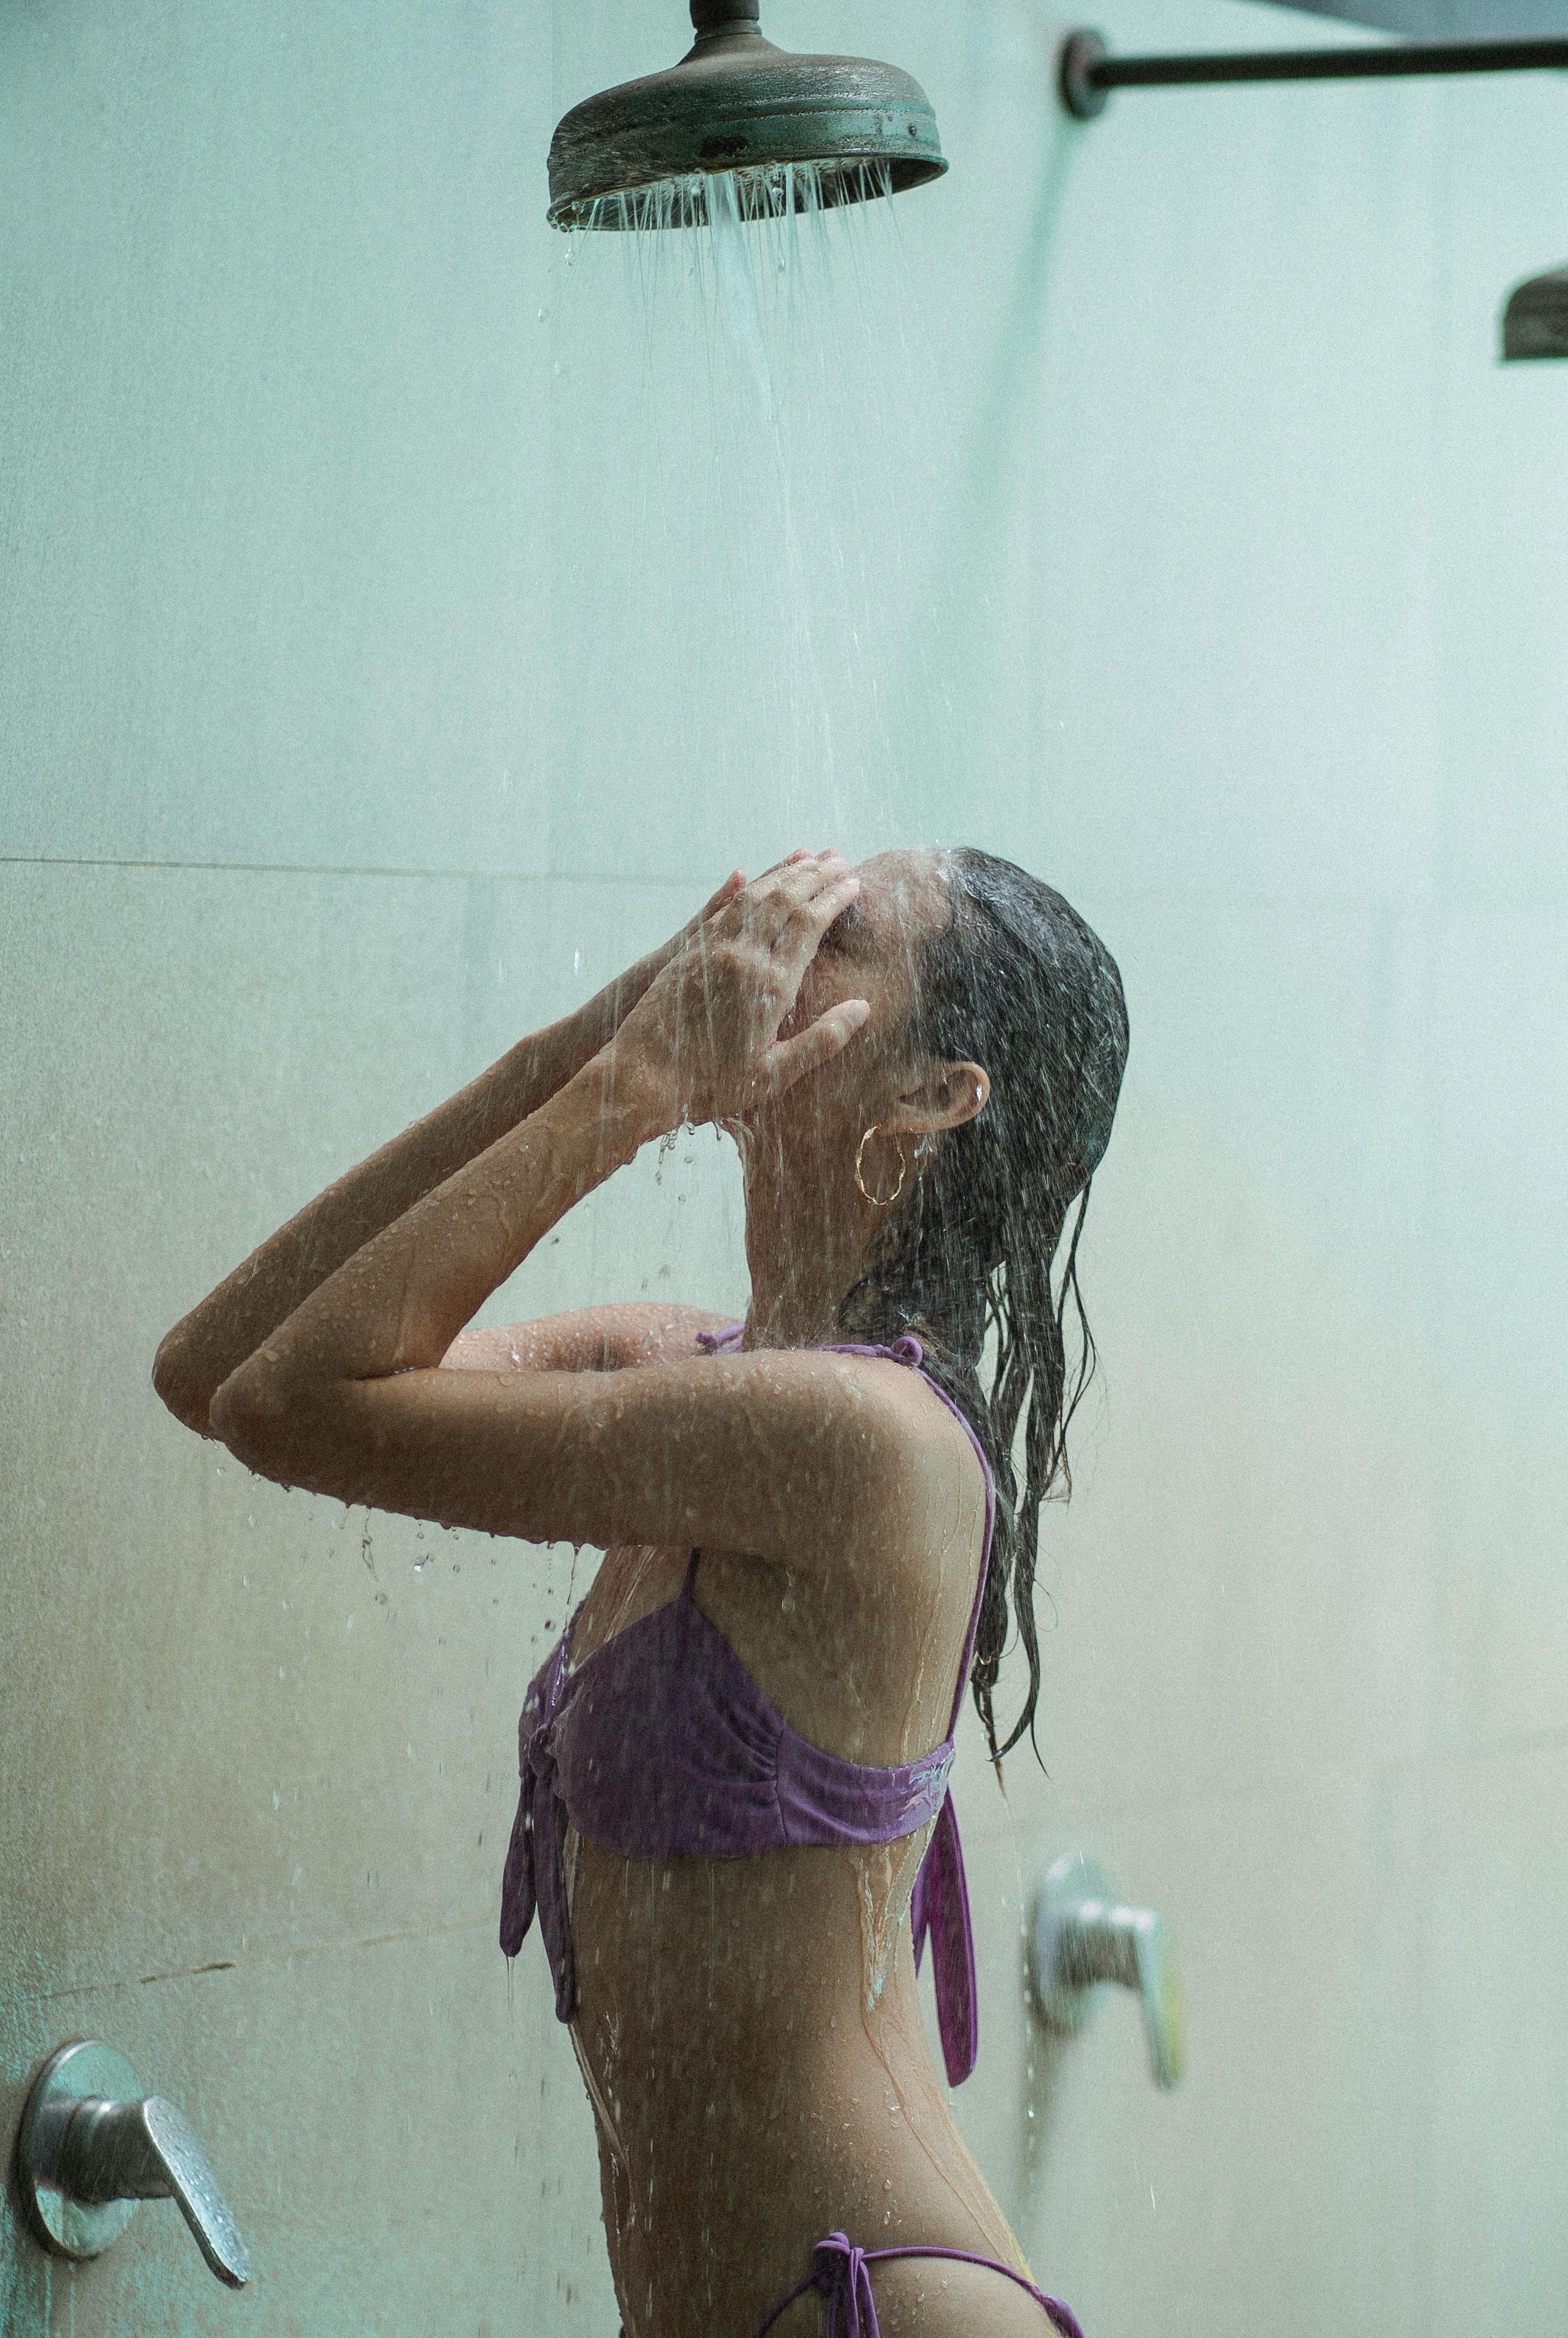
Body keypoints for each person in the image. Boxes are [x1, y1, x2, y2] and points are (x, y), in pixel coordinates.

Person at [155, 846, 1128, 2337]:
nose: (756, 941)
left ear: (935, 1094)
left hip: (887, 2306)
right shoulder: (691, 1375)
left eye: (835, 933)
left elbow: (304, 1407)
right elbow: (224, 1375)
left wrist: (629, 1097)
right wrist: (587, 1051)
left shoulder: (865, 1443)